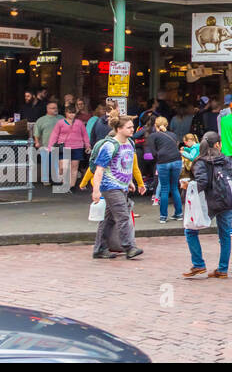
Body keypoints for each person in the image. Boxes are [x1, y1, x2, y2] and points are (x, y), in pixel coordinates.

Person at [180, 131, 232, 279]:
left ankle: (198, 264)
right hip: (226, 201)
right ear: (217, 144)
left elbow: (202, 182)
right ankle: (223, 269)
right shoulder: (224, 159)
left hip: (210, 202)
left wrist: (188, 187)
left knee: (190, 231)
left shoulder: (200, 162)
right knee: (225, 235)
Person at [89, 111, 144, 261]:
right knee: (123, 216)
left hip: (122, 186)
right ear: (119, 129)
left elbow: (126, 165)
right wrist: (96, 191)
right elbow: (99, 169)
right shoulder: (109, 146)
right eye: (129, 127)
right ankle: (129, 247)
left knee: (109, 219)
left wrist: (130, 181)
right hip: (110, 186)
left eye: (132, 127)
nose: (132, 130)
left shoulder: (130, 143)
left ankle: (99, 248)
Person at [145, 116, 183, 222]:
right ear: (166, 125)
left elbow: (153, 153)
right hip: (177, 161)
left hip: (163, 162)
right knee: (175, 187)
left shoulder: (153, 136)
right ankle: (179, 214)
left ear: (155, 125)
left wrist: (160, 157)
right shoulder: (173, 135)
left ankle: (163, 217)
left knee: (165, 188)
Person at [49, 106, 91, 192]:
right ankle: (65, 183)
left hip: (77, 147)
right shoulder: (60, 123)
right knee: (63, 167)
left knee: (74, 167)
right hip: (64, 146)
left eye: (73, 113)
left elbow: (85, 135)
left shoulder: (79, 123)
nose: (71, 114)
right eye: (69, 112)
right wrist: (50, 147)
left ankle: (71, 186)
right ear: (66, 113)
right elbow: (54, 135)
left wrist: (87, 145)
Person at [33, 100, 61, 186]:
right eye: (53, 108)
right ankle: (45, 180)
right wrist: (37, 142)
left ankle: (56, 178)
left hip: (59, 145)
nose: (55, 109)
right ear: (47, 109)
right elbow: (37, 133)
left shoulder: (62, 118)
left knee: (57, 162)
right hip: (45, 144)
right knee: (45, 163)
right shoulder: (41, 120)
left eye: (56, 108)